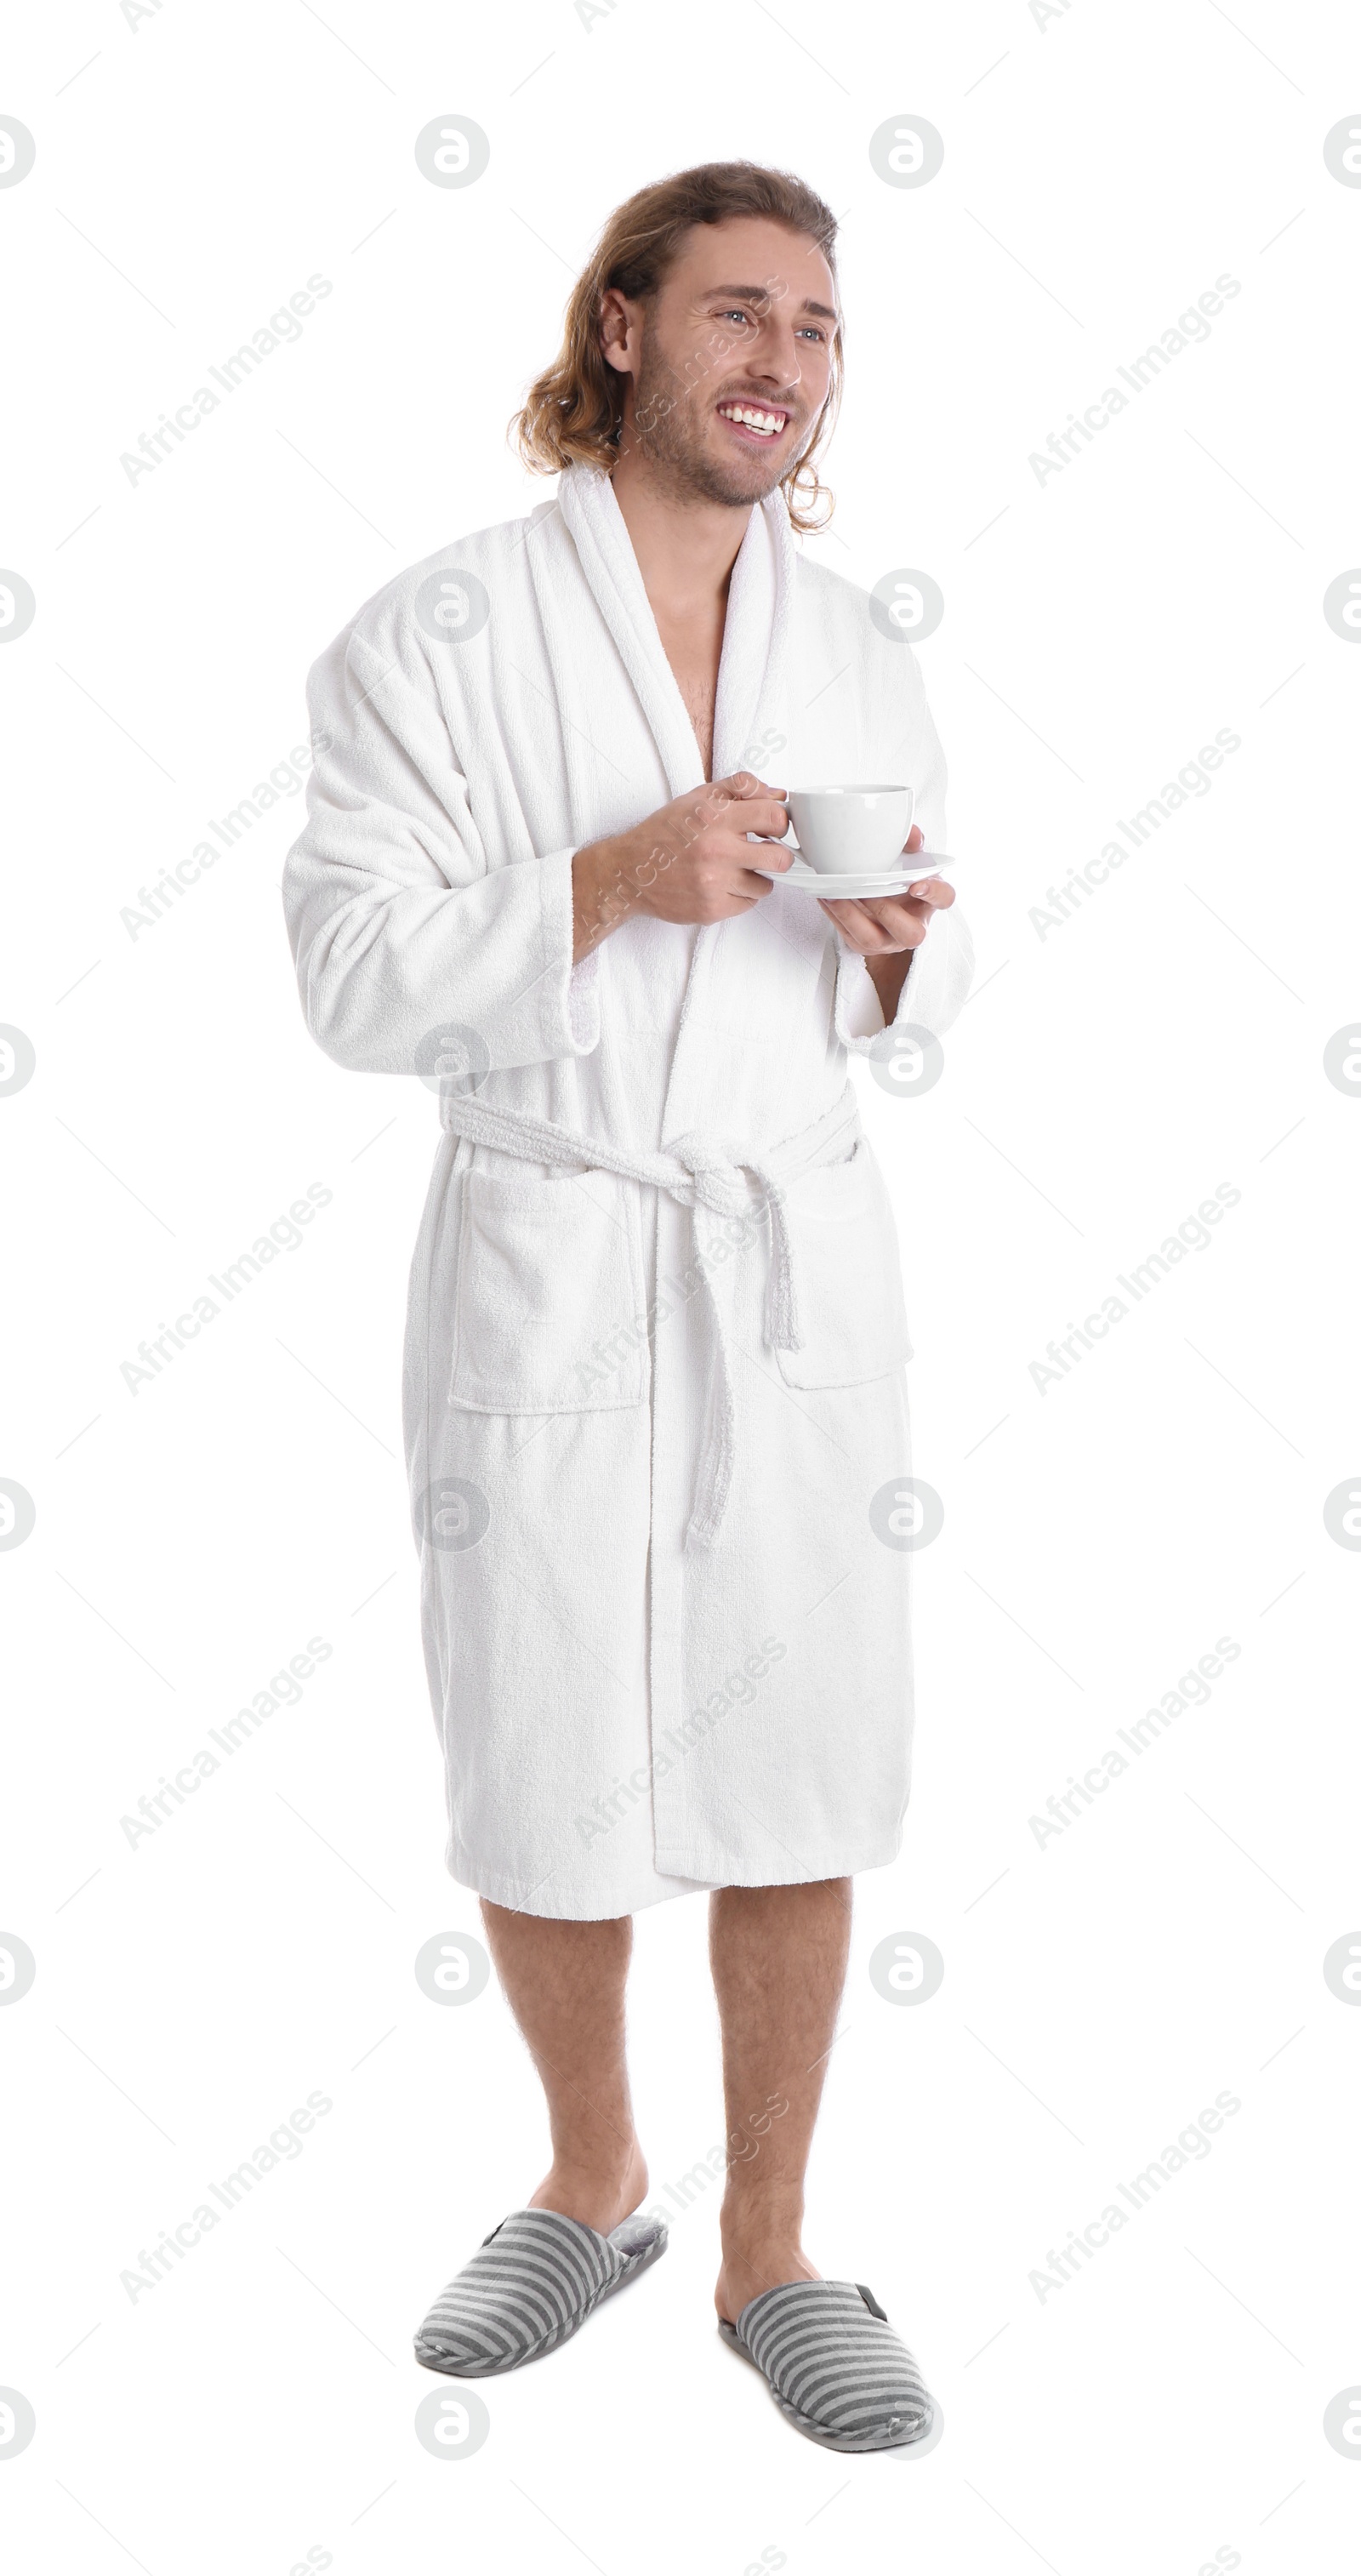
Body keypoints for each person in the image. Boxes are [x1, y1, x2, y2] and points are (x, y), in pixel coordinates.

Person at [282, 158, 971, 2453]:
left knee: (805, 1747)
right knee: (543, 1740)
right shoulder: (435, 635)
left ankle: (772, 2243)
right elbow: (349, 971)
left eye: (819, 326)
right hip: (557, 1244)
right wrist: (599, 883)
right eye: (740, 313)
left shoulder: (858, 639)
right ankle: (594, 2181)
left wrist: (906, 955)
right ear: (622, 331)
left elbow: (938, 937)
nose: (785, 358)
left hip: (778, 1249)